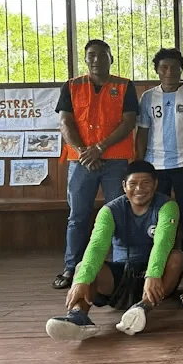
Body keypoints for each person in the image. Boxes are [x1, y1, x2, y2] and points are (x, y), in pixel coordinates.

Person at [45, 160, 183, 341]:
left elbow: (163, 243)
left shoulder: (168, 206)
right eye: (133, 184)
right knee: (82, 268)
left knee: (177, 258)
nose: (139, 189)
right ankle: (78, 317)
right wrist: (81, 281)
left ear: (156, 184)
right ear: (124, 186)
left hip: (156, 280)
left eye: (146, 183)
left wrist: (153, 274)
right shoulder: (109, 210)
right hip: (122, 276)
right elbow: (96, 246)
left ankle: (142, 308)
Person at [53, 39, 138, 290]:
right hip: (81, 162)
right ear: (85, 58)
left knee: (118, 214)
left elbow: (129, 122)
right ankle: (72, 268)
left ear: (111, 59)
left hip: (115, 161)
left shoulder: (124, 86)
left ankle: (122, 266)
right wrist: (83, 152)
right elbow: (65, 123)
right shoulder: (71, 86)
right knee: (77, 216)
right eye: (91, 55)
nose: (97, 59)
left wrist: (99, 148)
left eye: (103, 55)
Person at [136, 48, 183, 265]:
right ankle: (156, 257)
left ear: (181, 69)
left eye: (174, 67)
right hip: (155, 165)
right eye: (164, 67)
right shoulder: (148, 97)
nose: (169, 72)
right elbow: (142, 131)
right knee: (156, 215)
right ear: (157, 70)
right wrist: (140, 163)